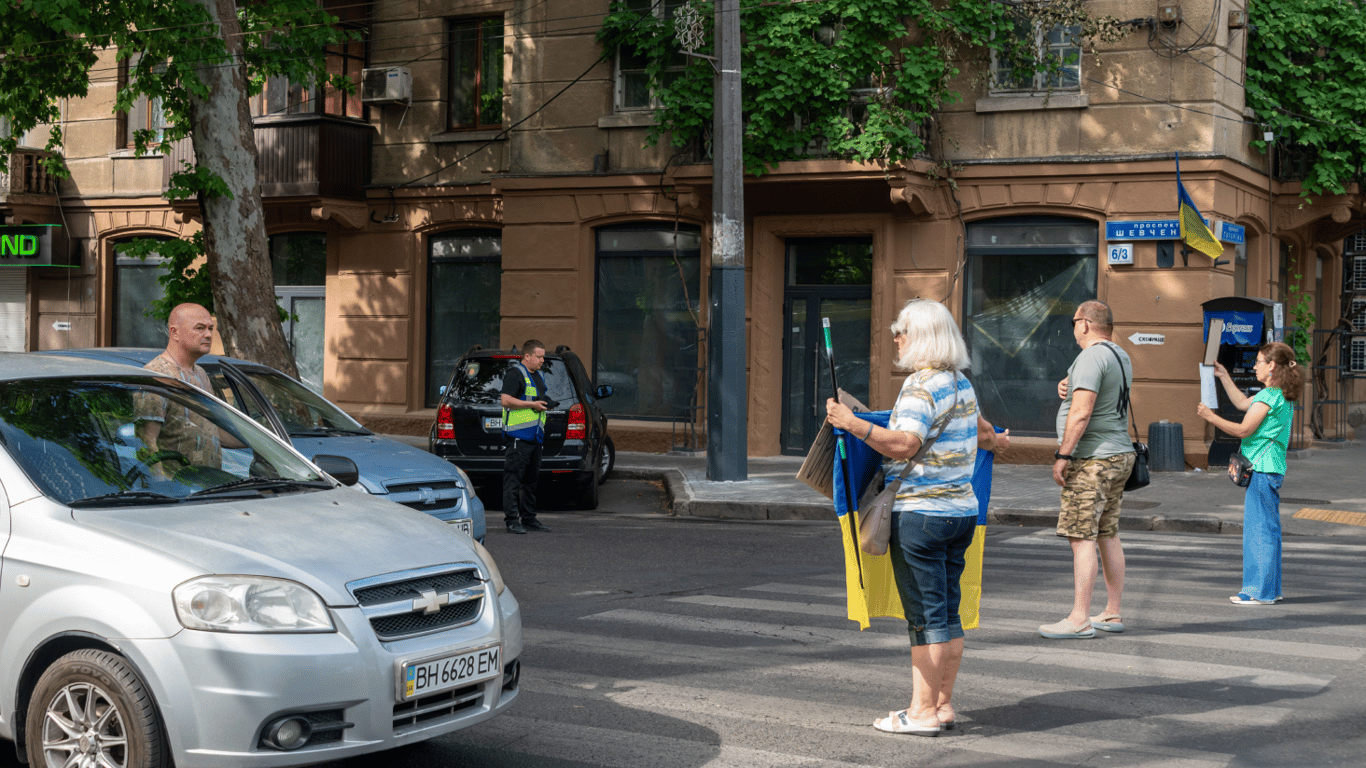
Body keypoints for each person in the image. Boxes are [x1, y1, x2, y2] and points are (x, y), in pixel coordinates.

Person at [826, 299, 985, 737]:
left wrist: (852, 423)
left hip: (921, 515)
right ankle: (944, 704)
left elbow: (905, 444)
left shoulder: (920, 386)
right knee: (948, 613)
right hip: (961, 513)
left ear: (923, 338)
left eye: (902, 331)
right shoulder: (961, 384)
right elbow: (984, 433)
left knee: (925, 618)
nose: (895, 338)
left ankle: (920, 713)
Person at [1039, 300, 1136, 640]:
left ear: (1084, 324)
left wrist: (1062, 455)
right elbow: (1089, 390)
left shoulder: (1091, 356)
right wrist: (1066, 384)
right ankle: (1111, 612)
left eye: (1073, 323)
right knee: (1107, 532)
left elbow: (1082, 411)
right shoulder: (1118, 355)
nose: (1073, 331)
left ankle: (1079, 617)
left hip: (1092, 458)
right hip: (1118, 454)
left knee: (1082, 537)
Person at [1196, 341, 1301, 605]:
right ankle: (1271, 589)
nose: (1254, 366)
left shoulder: (1268, 396)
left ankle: (1256, 591)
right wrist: (1224, 376)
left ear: (1272, 366)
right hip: (1272, 469)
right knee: (1270, 531)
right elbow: (1243, 402)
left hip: (1261, 470)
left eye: (1258, 361)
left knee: (1258, 532)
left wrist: (1211, 417)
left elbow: (1243, 430)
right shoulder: (1280, 394)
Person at [135, 302, 224, 476]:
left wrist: (260, 442)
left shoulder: (201, 373)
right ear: (175, 332)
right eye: (199, 328)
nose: (208, 334)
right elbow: (146, 442)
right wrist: (162, 488)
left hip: (209, 489)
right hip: (178, 493)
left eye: (210, 328)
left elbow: (214, 427)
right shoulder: (157, 375)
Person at [501, 340, 552, 534]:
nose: (542, 360)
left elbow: (536, 400)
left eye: (543, 357)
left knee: (531, 481)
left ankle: (529, 518)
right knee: (513, 480)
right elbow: (505, 400)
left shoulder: (538, 376)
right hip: (518, 437)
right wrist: (532, 405)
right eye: (539, 357)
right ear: (527, 357)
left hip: (535, 438)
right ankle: (512, 520)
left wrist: (547, 404)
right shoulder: (515, 374)